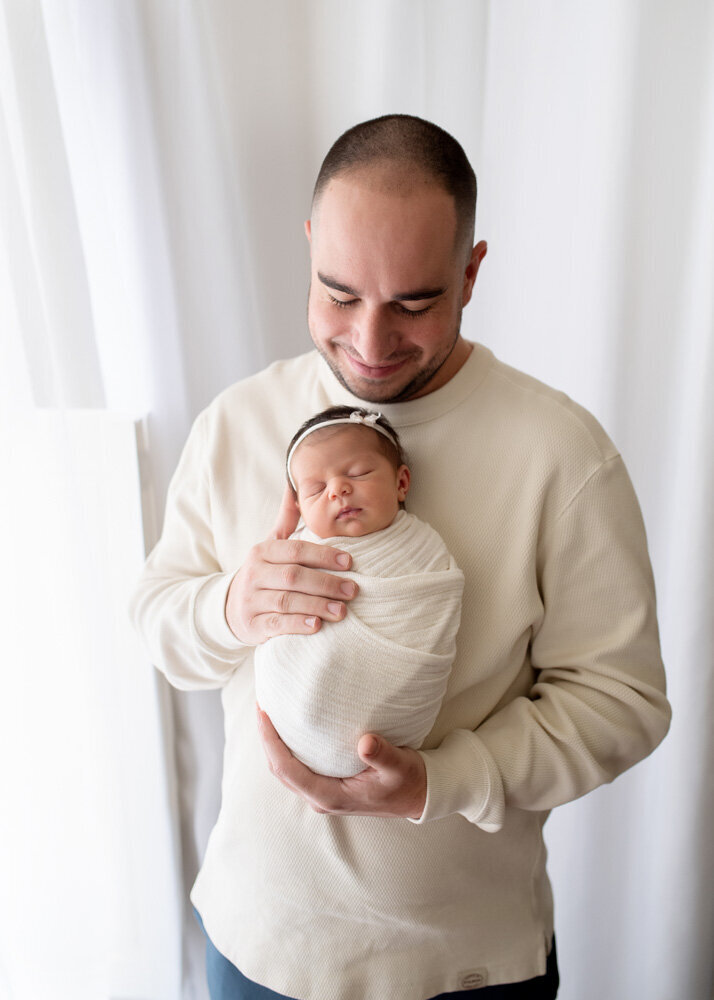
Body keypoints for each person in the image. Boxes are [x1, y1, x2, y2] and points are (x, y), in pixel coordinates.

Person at [129, 114, 671, 999]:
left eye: (415, 302)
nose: (371, 344)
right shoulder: (236, 421)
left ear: (472, 269)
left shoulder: (561, 455)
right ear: (309, 247)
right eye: (339, 294)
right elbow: (157, 621)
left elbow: (625, 701)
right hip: (253, 945)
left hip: (462, 972)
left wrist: (442, 780)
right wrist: (232, 606)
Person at [254, 405, 465, 778]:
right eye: (316, 489)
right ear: (299, 507)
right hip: (296, 712)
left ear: (401, 484)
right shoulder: (298, 552)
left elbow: (435, 604)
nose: (338, 489)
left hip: (392, 727)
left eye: (358, 473)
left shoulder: (425, 549)